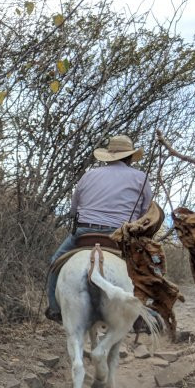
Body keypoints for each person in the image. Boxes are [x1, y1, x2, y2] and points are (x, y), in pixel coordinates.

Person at [45, 134, 152, 322]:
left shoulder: (89, 175)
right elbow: (145, 214)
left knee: (55, 261)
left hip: (85, 233)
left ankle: (55, 309)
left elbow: (73, 210)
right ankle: (140, 315)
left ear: (109, 156)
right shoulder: (141, 178)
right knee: (148, 269)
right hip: (120, 237)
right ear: (129, 157)